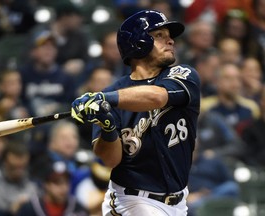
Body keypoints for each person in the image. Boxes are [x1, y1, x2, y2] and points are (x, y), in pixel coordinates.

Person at [71, 10, 201, 216]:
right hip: (131, 201)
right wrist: (108, 127)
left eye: (170, 36)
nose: (171, 41)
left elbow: (156, 97)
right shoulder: (108, 96)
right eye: (160, 35)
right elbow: (110, 160)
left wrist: (106, 100)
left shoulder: (184, 75)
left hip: (178, 202)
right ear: (138, 42)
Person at [0, 141, 37, 216]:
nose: (18, 172)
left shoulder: (36, 186)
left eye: (22, 167)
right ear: (5, 162)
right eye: (13, 167)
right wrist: (10, 211)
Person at [16, 159, 89, 216]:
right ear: (46, 184)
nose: (63, 188)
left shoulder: (77, 208)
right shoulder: (30, 208)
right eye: (57, 183)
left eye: (66, 182)